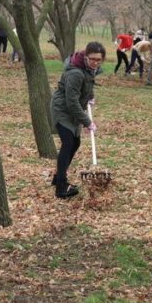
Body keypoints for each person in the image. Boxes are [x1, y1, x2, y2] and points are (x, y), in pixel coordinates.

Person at [49, 41, 105, 199]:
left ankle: (58, 177)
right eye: (92, 59)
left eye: (98, 60)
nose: (95, 62)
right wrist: (88, 122)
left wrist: (90, 97)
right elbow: (71, 101)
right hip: (62, 109)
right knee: (68, 143)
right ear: (86, 57)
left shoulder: (90, 69)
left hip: (74, 109)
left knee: (75, 143)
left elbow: (88, 85)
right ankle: (61, 187)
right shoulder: (75, 73)